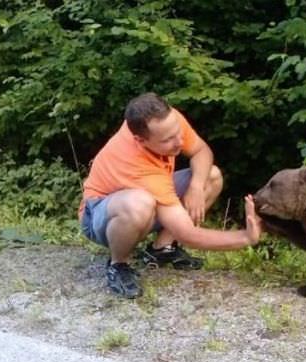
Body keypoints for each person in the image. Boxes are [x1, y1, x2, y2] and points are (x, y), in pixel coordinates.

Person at [78, 92, 262, 299]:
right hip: (99, 216)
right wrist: (245, 237)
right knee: (138, 204)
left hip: (142, 198)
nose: (179, 142)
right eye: (168, 140)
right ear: (141, 140)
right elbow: (188, 235)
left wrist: (196, 186)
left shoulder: (166, 120)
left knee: (211, 175)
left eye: (178, 133)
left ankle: (161, 250)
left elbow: (201, 151)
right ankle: (118, 264)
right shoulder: (138, 165)